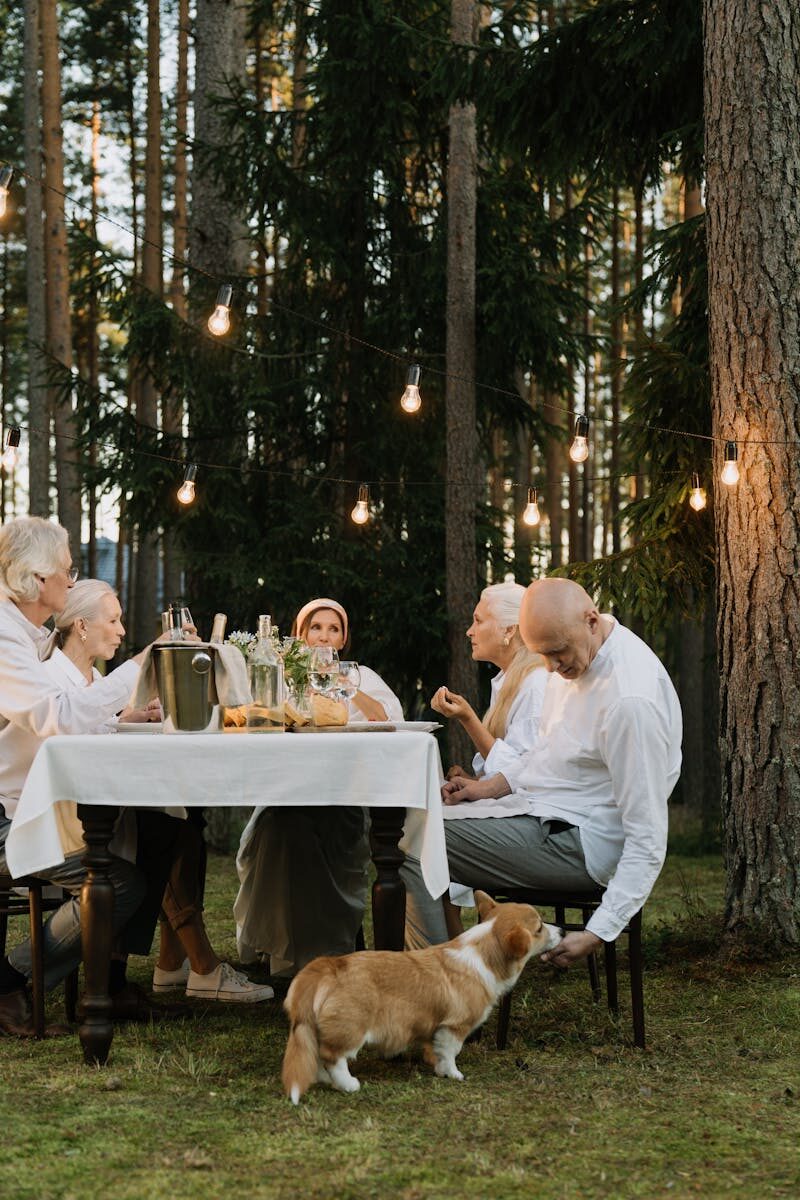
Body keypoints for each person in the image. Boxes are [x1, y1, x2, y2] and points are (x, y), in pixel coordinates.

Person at [401, 577, 682, 967]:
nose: (549, 667)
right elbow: (547, 753)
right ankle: (446, 983)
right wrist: (487, 789)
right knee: (416, 820)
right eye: (541, 655)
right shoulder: (578, 652)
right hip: (545, 812)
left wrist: (599, 930)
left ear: (590, 620)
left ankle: (433, 991)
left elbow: (647, 837)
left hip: (583, 843)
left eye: (556, 653)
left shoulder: (629, 703)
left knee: (416, 839)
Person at [47, 579, 273, 1004]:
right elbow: (66, 730)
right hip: (59, 813)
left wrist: (132, 715)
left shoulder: (90, 675)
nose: (119, 630)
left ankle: (145, 967)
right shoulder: (51, 677)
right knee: (165, 825)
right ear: (80, 625)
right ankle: (127, 973)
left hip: (93, 802)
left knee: (173, 819)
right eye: (112, 621)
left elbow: (93, 724)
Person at [0, 518, 152, 1035]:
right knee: (115, 880)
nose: (72, 578)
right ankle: (9, 981)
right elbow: (56, 718)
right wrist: (138, 668)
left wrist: (120, 713)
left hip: (19, 807)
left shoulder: (26, 636)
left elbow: (62, 713)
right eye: (67, 571)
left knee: (138, 853)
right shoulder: (4, 635)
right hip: (6, 818)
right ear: (38, 578)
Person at [234, 598, 403, 981]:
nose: (323, 636)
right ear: (300, 634)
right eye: (315, 628)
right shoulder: (280, 674)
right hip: (284, 793)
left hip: (341, 795)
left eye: (333, 629)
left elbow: (387, 719)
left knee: (309, 830)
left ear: (343, 639)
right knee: (280, 829)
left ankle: (321, 950)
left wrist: (344, 685)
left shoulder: (360, 676)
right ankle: (282, 952)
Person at [430, 580, 548, 934]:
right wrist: (470, 780)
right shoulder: (508, 680)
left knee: (426, 832)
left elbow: (522, 771)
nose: (469, 631)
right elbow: (501, 767)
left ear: (510, 630)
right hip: (511, 805)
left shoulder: (536, 682)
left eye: (479, 621)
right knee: (426, 816)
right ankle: (445, 942)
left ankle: (442, 947)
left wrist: (468, 719)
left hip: (533, 817)